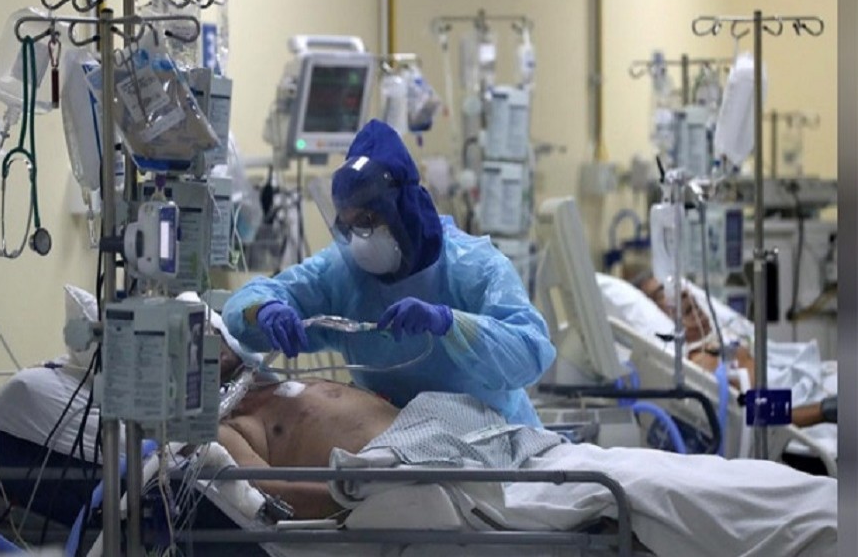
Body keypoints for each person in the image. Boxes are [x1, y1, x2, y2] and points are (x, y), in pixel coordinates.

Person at [216, 377, 837, 557]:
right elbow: (272, 499)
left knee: (692, 480)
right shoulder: (225, 427)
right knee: (659, 491)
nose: (218, 346)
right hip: (462, 479)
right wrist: (365, 489)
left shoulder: (276, 369)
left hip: (515, 450)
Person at [222, 119, 556, 427]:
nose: (359, 239)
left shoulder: (472, 266)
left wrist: (451, 324)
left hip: (498, 444)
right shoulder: (343, 274)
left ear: (402, 212)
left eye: (367, 221)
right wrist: (264, 310)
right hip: (404, 450)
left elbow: (530, 353)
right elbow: (245, 306)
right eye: (349, 225)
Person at [628, 271, 837, 427]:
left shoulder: (721, 340)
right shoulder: (702, 364)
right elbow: (760, 412)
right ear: (655, 315)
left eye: (679, 286)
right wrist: (824, 410)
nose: (683, 293)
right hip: (816, 417)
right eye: (663, 292)